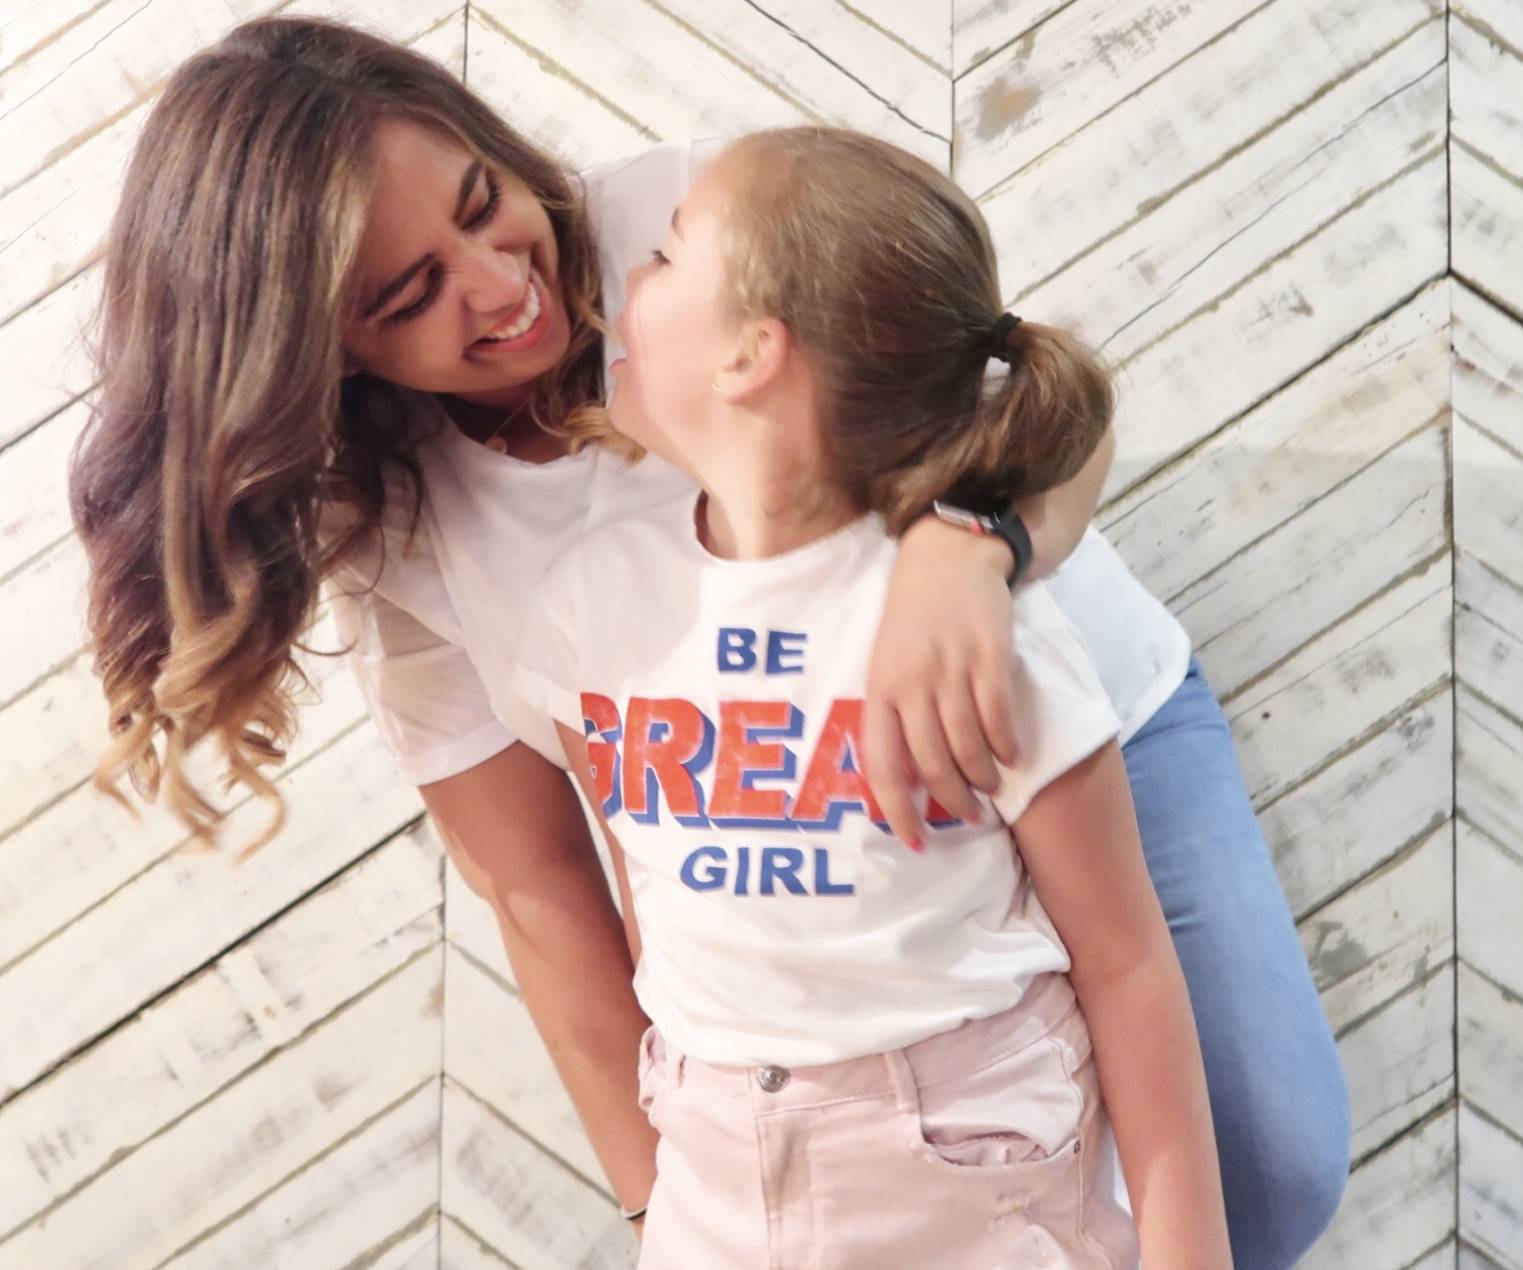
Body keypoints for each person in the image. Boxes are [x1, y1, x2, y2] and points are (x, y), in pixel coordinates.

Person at [69, 18, 1349, 1264]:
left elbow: (1037, 396)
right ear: (325, 351)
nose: (506, 287)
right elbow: (547, 887)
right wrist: (663, 1207)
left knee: (1262, 1163)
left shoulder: (701, 223)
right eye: (410, 294)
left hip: (1059, 745)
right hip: (801, 868)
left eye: (481, 205)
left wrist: (977, 544)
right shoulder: (404, 529)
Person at [514, 122, 1231, 1268]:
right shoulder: (587, 608)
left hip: (969, 1166)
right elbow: (649, 899)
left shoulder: (975, 633)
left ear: (753, 352)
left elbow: (1127, 961)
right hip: (714, 1168)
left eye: (665, 258)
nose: (625, 289)